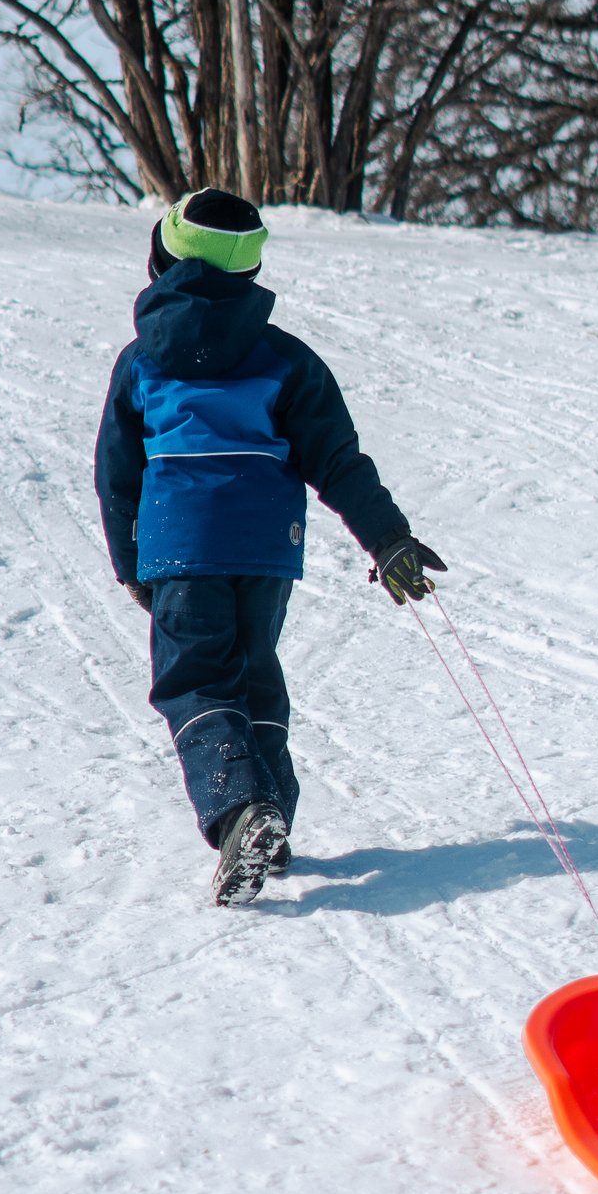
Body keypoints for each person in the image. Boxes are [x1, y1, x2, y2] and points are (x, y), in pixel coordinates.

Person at [94, 188, 447, 906]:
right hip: (264, 547)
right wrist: (388, 535)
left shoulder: (142, 363)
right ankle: (271, 812)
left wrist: (132, 566)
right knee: (253, 673)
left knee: (194, 681)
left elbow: (117, 476)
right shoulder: (287, 360)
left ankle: (239, 811)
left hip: (180, 546)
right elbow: (337, 459)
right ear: (250, 271)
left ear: (162, 258)